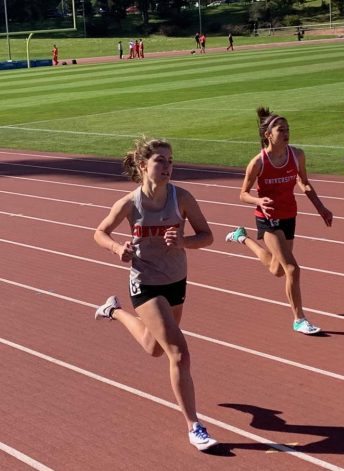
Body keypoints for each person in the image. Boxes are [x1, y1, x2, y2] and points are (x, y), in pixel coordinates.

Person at [94, 137, 218, 451]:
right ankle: (195, 426)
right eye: (159, 161)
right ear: (143, 166)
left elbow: (208, 236)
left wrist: (183, 242)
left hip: (176, 279)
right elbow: (100, 232)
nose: (166, 167)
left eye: (170, 160)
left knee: (154, 348)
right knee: (179, 353)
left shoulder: (182, 197)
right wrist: (116, 248)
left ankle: (114, 311)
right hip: (145, 281)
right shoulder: (129, 203)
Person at [225, 107, 333, 335]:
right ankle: (299, 319)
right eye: (281, 130)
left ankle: (241, 237)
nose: (286, 133)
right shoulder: (258, 163)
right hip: (268, 218)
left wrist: (321, 207)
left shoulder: (297, 155)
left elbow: (304, 183)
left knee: (277, 270)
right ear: (268, 135)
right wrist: (258, 200)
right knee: (292, 269)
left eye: (288, 129)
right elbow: (242, 193)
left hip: (289, 216)